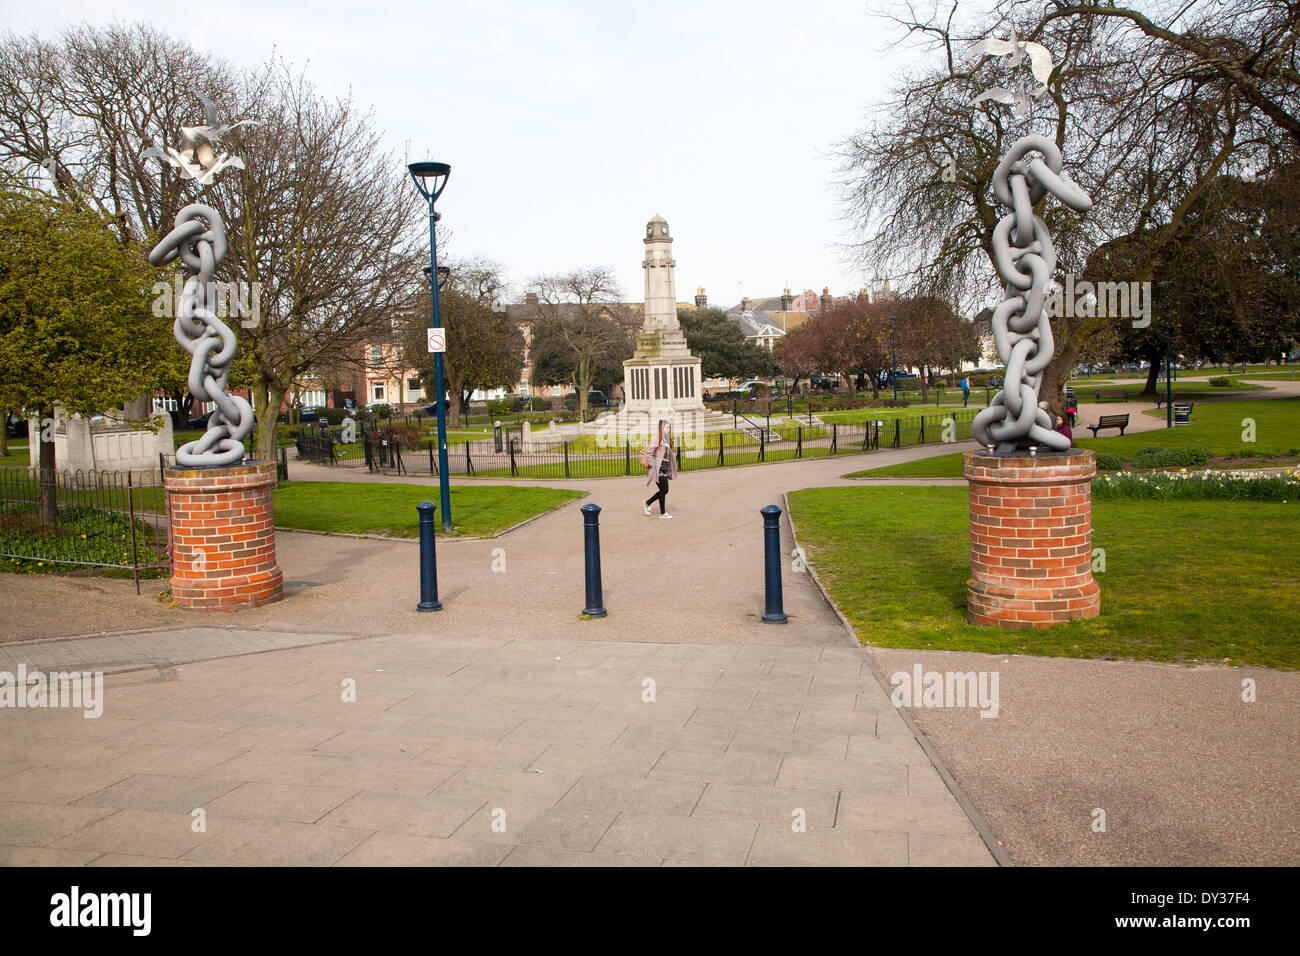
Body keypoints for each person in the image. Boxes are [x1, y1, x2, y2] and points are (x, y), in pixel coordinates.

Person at [642, 418, 678, 519]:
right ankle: (662, 513)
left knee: (664, 490)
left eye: (669, 427)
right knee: (664, 489)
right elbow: (649, 453)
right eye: (666, 427)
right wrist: (655, 466)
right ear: (661, 428)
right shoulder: (656, 438)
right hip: (658, 469)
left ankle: (648, 502)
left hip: (665, 468)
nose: (668, 429)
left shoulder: (667, 438)